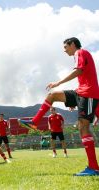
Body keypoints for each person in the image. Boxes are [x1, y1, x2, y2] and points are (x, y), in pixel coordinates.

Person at [19, 37, 99, 176]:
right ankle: (34, 122)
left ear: (73, 44)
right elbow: (83, 75)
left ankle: (93, 168)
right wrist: (75, 101)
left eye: (65, 47)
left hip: (89, 94)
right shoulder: (79, 54)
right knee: (52, 95)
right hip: (81, 93)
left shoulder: (80, 52)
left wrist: (58, 82)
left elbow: (79, 71)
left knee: (83, 127)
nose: (64, 50)